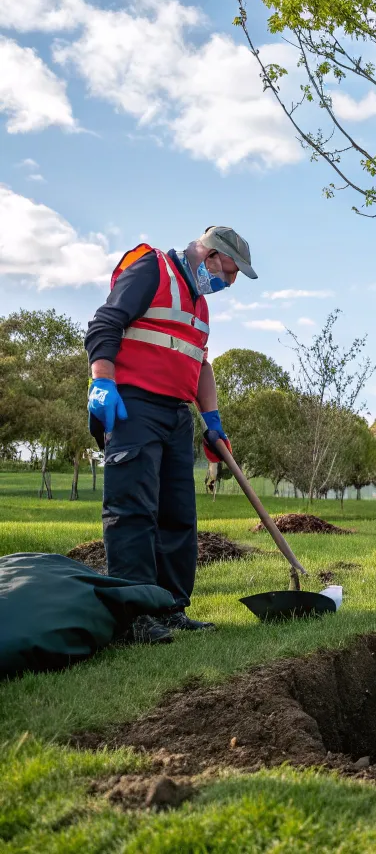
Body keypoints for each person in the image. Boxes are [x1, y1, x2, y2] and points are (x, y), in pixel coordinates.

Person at [84, 227, 258, 645]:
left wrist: (213, 422)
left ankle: (170, 606)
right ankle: (134, 615)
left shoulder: (200, 306)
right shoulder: (152, 269)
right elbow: (104, 325)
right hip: (134, 407)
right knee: (133, 510)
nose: (229, 284)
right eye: (229, 273)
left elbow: (202, 365)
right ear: (211, 256)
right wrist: (102, 382)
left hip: (177, 414)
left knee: (178, 515)